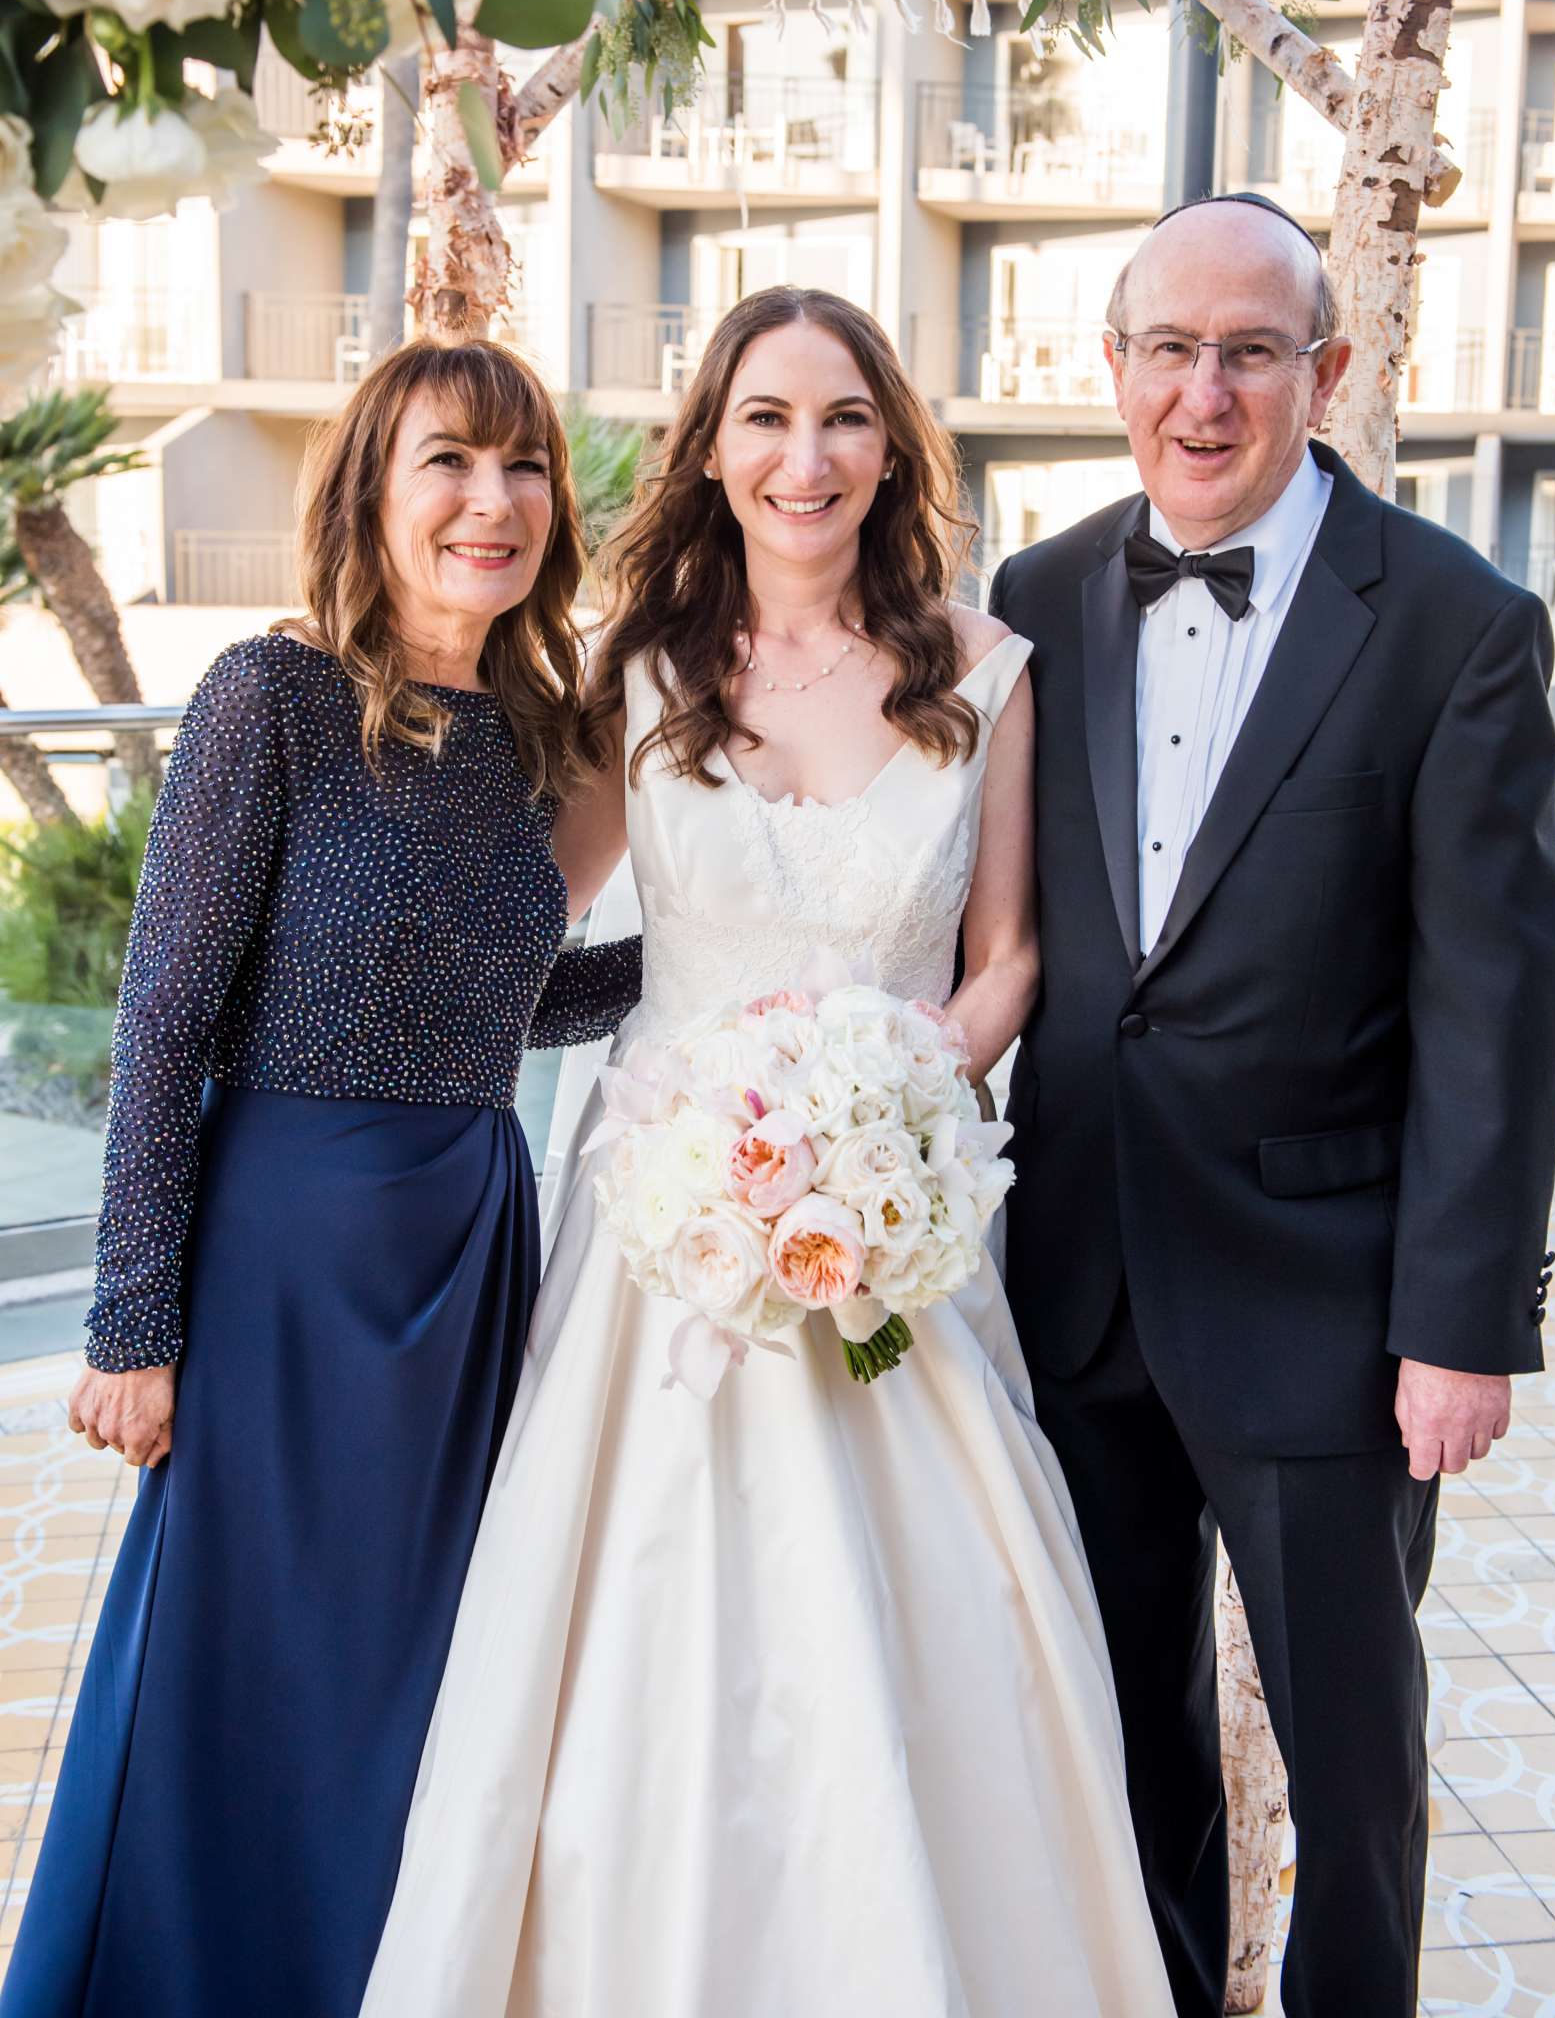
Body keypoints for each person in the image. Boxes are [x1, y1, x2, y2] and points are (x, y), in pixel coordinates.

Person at [357, 286, 1176, 2017]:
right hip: (663, 1245)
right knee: (647, 1646)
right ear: (711, 451)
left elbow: (1006, 957)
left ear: (891, 446)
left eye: (843, 419)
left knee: (938, 1637)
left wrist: (881, 1104)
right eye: (765, 420)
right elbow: (534, 921)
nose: (805, 459)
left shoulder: (983, 667)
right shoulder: (634, 671)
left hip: (897, 1223)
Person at [2, 338, 642, 2018]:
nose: (491, 502)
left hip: (463, 1251)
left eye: (522, 469)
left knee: (411, 1673)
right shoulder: (268, 697)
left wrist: (709, 982)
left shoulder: (537, 736)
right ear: (369, 486)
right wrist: (130, 1323)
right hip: (282, 1259)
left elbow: (496, 994)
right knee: (240, 1662)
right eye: (448, 461)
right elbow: (167, 1010)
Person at [990, 193, 1555, 2018]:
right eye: (1168, 348)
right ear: (1112, 369)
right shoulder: (1035, 600)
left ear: (1325, 371)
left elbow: (1497, 1009)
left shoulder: (1454, 625)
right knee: (1116, 1726)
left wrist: (1458, 1328)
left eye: (1250, 351)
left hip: (1329, 1307)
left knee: (1352, 1754)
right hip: (1077, 1291)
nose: (1205, 392)